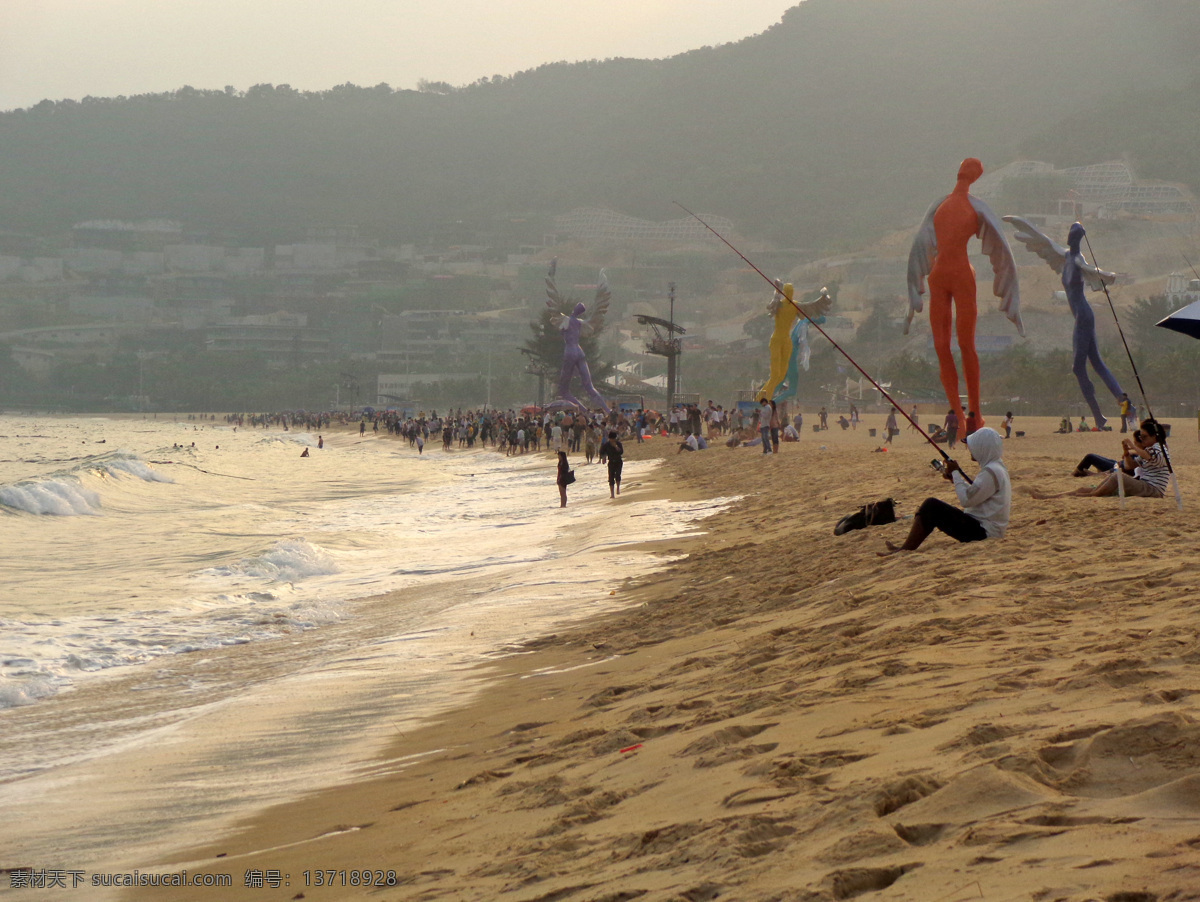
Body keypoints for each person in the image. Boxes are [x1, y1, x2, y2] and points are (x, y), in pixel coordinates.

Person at [880, 427, 1010, 555]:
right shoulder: (996, 468)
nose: (970, 450)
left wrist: (955, 472)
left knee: (931, 506)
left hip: (983, 532)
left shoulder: (990, 472)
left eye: (972, 447)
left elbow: (966, 500)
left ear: (982, 448)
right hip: (983, 527)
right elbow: (977, 493)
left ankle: (905, 549)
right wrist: (955, 478)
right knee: (934, 508)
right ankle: (905, 547)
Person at [1037, 420, 1169, 499]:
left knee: (1117, 476)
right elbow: (1130, 466)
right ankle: (1050, 497)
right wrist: (1127, 453)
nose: (1142, 440)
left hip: (1153, 489)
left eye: (1144, 437)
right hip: (1145, 486)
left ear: (1154, 437)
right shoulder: (1150, 449)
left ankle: (1092, 496)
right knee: (1084, 488)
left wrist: (1134, 446)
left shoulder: (1160, 448)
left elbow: (1151, 457)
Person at [600, 430, 624, 498]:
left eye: (613, 439)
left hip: (618, 461)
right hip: (611, 462)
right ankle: (612, 494)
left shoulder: (618, 444)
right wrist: (603, 458)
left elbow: (621, 452)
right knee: (611, 478)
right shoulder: (606, 445)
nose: (612, 440)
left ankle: (618, 488)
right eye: (611, 439)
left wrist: (616, 447)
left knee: (618, 475)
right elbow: (602, 452)